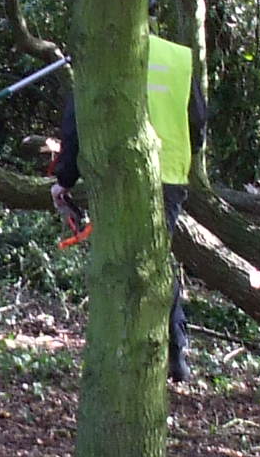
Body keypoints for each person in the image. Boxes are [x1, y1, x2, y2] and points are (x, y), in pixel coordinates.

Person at [52, 30, 210, 381]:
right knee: (154, 260)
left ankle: (134, 353)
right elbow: (198, 123)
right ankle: (173, 355)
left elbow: (76, 124)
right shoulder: (178, 57)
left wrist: (64, 179)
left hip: (116, 173)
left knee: (121, 261)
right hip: (169, 173)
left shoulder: (99, 56)